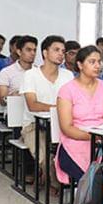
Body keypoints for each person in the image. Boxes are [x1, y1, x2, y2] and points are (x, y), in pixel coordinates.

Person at [55, 46, 103, 185]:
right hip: (74, 144)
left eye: (99, 62)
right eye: (92, 62)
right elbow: (67, 128)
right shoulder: (67, 90)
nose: (97, 66)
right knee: (95, 179)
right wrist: (94, 137)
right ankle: (90, 203)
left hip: (101, 143)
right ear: (80, 65)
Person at [21, 36, 75, 184]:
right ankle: (56, 182)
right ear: (45, 53)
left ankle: (62, 182)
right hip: (34, 126)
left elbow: (74, 101)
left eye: (63, 51)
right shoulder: (31, 75)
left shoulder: (68, 75)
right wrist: (59, 108)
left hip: (62, 125)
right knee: (44, 156)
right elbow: (32, 105)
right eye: (56, 50)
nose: (61, 54)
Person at [0, 35, 37, 106]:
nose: (33, 53)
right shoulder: (6, 72)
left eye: (34, 50)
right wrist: (13, 96)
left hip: (36, 111)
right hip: (14, 111)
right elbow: (2, 101)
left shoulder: (39, 72)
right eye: (28, 50)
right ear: (19, 52)